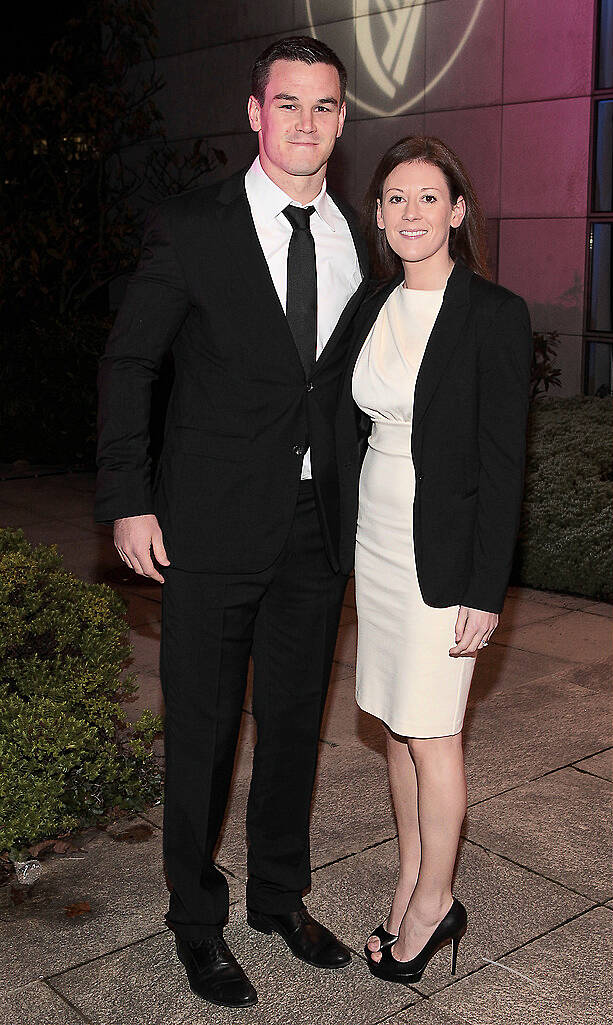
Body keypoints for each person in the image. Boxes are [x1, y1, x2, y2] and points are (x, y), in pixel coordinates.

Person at [95, 37, 368, 1009]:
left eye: (324, 106)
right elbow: (131, 363)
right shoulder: (192, 225)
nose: (304, 122)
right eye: (286, 103)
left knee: (294, 724)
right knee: (205, 733)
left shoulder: (360, 236)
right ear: (255, 113)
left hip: (316, 523)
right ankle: (197, 920)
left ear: (343, 118)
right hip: (206, 522)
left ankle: (278, 897)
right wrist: (129, 496)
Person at [336, 136, 532, 986]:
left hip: (443, 552)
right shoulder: (369, 304)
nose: (408, 213)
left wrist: (484, 589)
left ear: (456, 211)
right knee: (394, 723)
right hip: (374, 538)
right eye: (392, 199)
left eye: (426, 197)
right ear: (377, 216)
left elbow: (502, 463)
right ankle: (411, 878)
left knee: (436, 732)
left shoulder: (492, 311)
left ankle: (433, 904)